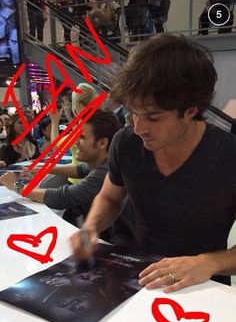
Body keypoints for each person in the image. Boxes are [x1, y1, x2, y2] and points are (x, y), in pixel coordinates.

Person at [70, 34, 236, 293]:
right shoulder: (125, 143)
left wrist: (210, 262)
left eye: (153, 117)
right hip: (136, 279)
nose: (138, 128)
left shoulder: (229, 156)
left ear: (190, 110)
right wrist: (91, 227)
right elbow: (110, 198)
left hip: (203, 290)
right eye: (134, 112)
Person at [0, 109, 121, 232]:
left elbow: (63, 197)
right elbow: (80, 169)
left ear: (102, 143)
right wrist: (44, 169)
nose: (75, 141)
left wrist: (17, 186)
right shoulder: (106, 162)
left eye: (82, 137)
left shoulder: (105, 172)